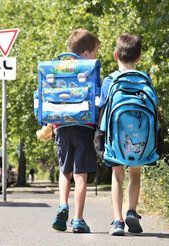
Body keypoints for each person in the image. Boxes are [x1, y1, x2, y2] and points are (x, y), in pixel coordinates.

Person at [99, 33, 149, 236]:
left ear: (115, 55)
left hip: (115, 137)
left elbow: (102, 110)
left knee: (117, 175)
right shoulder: (145, 79)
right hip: (139, 137)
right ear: (139, 57)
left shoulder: (109, 81)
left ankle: (118, 221)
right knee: (135, 174)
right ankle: (132, 211)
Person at [51, 29, 100, 233]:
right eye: (95, 53)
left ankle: (63, 205)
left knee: (65, 171)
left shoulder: (58, 68)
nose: (96, 57)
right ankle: (78, 219)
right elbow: (97, 98)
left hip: (61, 127)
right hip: (83, 127)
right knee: (80, 175)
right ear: (86, 54)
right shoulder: (89, 69)